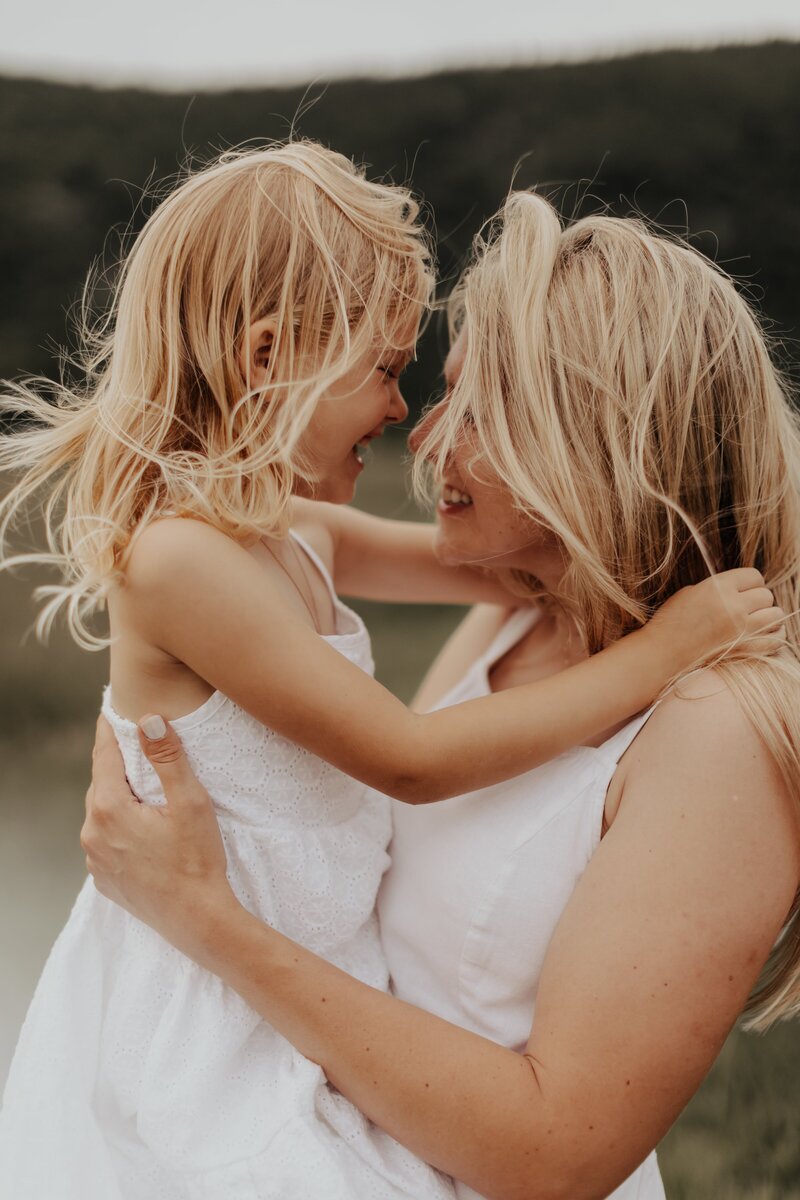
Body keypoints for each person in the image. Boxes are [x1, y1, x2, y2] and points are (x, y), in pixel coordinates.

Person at [0, 145, 763, 1199]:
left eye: (467, 395)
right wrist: (663, 645)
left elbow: (503, 567)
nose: (408, 416)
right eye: (389, 373)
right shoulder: (184, 559)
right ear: (268, 359)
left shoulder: (291, 532)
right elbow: (409, 761)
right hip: (211, 1021)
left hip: (289, 999)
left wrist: (629, 553)